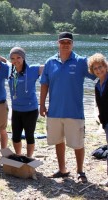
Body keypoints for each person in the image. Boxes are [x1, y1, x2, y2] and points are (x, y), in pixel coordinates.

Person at [40, 32, 95, 183]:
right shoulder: (50, 62)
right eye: (62, 42)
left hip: (74, 111)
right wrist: (42, 104)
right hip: (55, 111)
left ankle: (80, 171)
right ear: (58, 43)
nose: (65, 44)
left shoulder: (81, 62)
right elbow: (44, 84)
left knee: (78, 143)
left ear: (72, 44)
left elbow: (99, 73)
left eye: (68, 42)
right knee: (58, 141)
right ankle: (62, 169)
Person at [8, 47, 43, 158]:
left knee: (29, 136)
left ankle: (28, 158)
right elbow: (3, 63)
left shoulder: (32, 69)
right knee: (16, 136)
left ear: (23, 58)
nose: (15, 60)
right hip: (16, 109)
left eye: (18, 57)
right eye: (13, 58)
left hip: (30, 110)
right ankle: (18, 156)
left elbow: (50, 68)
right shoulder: (10, 70)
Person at [88, 53, 108, 187]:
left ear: (105, 66)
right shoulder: (97, 85)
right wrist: (102, 120)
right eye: (95, 68)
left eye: (100, 67)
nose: (98, 70)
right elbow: (99, 105)